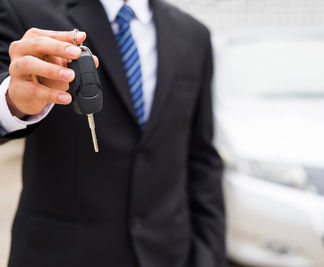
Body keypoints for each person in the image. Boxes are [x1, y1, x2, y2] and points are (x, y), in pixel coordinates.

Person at [0, 0, 225, 266]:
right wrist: (13, 101)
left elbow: (201, 158)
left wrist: (209, 255)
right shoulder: (24, 10)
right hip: (63, 255)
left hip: (169, 254)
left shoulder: (194, 34)